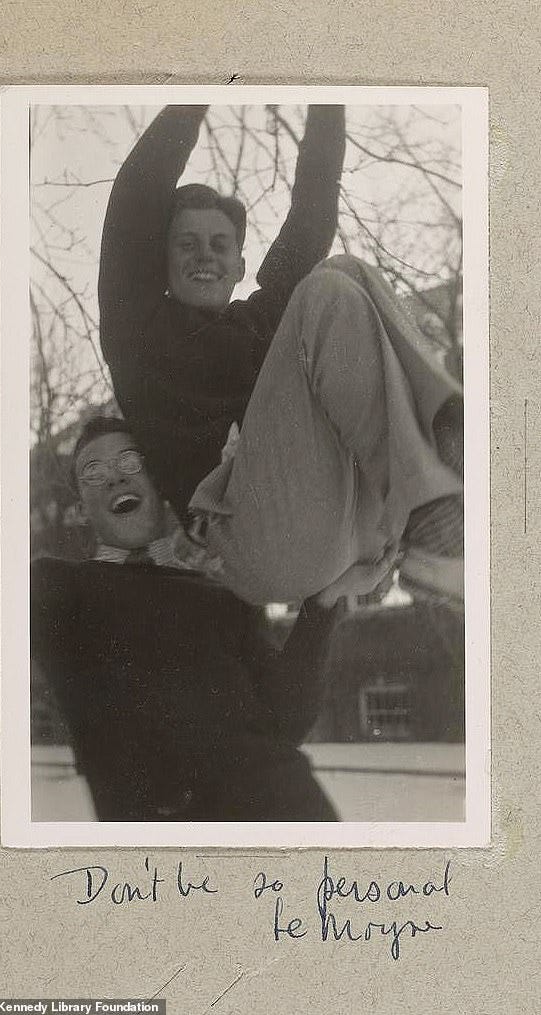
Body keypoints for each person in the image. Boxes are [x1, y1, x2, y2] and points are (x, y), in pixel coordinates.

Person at [99, 104, 463, 606]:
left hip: (340, 533)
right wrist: (206, 73)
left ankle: (438, 485)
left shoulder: (265, 321)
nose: (205, 255)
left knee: (343, 271)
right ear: (160, 261)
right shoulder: (137, 331)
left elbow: (313, 216)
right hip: (244, 541)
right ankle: (429, 494)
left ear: (239, 264)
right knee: (324, 295)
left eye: (218, 245)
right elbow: (138, 189)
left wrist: (327, 94)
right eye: (187, 244)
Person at [31, 417, 344, 822]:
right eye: (94, 472)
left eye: (130, 462)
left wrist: (324, 600)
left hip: (295, 821)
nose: (114, 479)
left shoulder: (227, 594)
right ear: (80, 510)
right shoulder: (60, 591)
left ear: (160, 482)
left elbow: (285, 720)